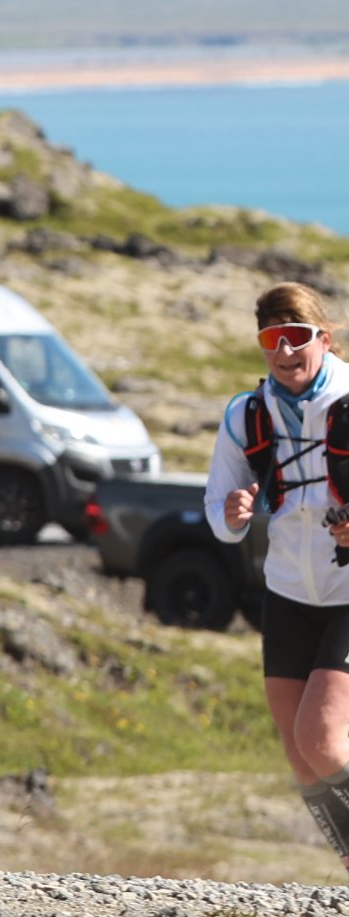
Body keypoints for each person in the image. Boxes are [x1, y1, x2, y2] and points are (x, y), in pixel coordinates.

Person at [207, 281, 349, 876]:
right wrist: (234, 516)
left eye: (297, 337)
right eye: (272, 340)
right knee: (301, 760)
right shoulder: (247, 414)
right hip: (288, 590)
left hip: (348, 594)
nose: (285, 352)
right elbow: (218, 508)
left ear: (325, 337)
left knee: (323, 743)